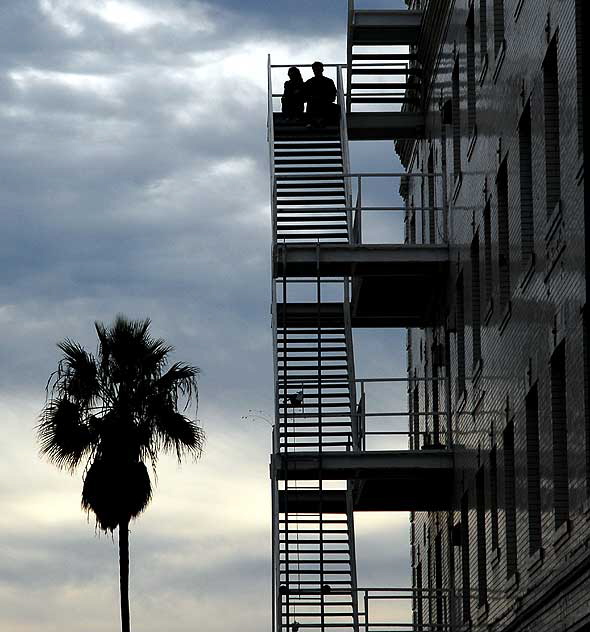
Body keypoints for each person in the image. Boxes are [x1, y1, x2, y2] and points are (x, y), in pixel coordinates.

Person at [304, 61, 339, 126]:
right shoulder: (309, 82)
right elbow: (304, 96)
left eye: (318, 69)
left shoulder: (328, 81)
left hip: (323, 105)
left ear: (322, 69)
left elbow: (333, 96)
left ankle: (317, 121)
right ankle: (319, 121)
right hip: (315, 106)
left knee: (336, 108)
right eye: (315, 69)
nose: (317, 71)